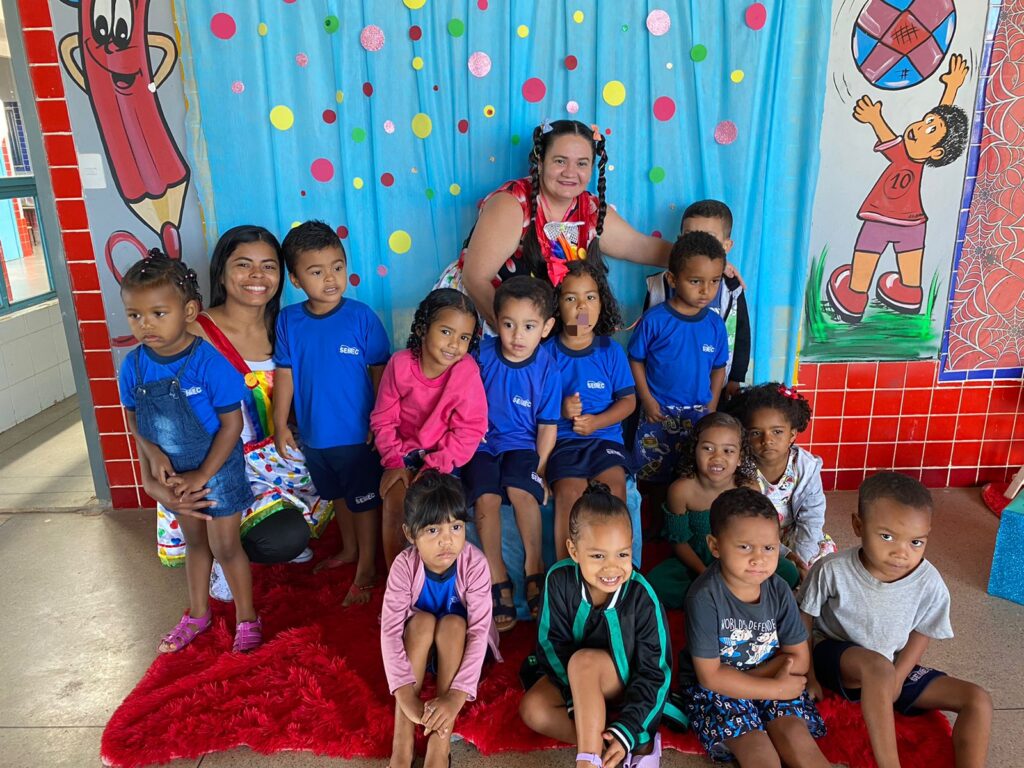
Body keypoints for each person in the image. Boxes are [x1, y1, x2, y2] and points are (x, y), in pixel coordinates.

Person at [153, 225, 334, 601]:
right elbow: (160, 411)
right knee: (277, 535)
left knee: (337, 471)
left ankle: (263, 527)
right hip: (216, 462)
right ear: (221, 272)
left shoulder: (285, 326)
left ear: (283, 277)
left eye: (268, 266)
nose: (257, 275)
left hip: (275, 458)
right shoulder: (195, 332)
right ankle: (223, 553)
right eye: (243, 264)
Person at [118, 251, 261, 653]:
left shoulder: (209, 363)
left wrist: (202, 475)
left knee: (225, 546)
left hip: (217, 467)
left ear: (189, 311)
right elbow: (134, 417)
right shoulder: (133, 366)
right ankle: (198, 614)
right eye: (135, 315)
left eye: (158, 313)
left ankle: (247, 617)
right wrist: (153, 460)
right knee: (194, 544)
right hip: (175, 474)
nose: (145, 324)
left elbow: (232, 426)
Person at [799, 472, 992, 768]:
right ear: (858, 525)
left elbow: (923, 630)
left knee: (977, 699)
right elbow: (805, 619)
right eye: (887, 537)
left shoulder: (930, 582)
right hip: (836, 658)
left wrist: (899, 677)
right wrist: (809, 676)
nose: (902, 553)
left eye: (916, 542)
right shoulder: (831, 570)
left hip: (892, 667)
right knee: (878, 668)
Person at [436, 119, 672, 331]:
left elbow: (642, 246)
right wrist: (518, 341)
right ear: (540, 161)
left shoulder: (590, 209)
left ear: (591, 168)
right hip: (485, 318)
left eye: (581, 163)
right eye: (560, 161)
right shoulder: (511, 204)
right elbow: (475, 279)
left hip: (540, 328)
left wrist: (692, 260)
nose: (570, 172)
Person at [273, 220, 391, 606]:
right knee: (338, 495)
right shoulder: (289, 321)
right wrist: (279, 424)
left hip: (357, 436)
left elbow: (381, 374)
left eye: (337, 267)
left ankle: (367, 567)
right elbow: (285, 375)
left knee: (364, 502)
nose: (330, 279)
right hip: (314, 436)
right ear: (295, 279)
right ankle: (350, 550)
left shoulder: (361, 317)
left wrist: (379, 422)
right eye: (316, 271)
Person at [519, 482, 671, 768]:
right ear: (574, 551)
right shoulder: (558, 580)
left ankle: (589, 760)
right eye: (598, 555)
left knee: (584, 662)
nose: (612, 567)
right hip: (573, 679)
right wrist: (574, 697)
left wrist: (630, 726)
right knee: (533, 709)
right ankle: (611, 751)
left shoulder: (642, 595)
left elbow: (655, 671)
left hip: (624, 683)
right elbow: (550, 644)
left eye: (622, 554)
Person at [677, 488, 828, 766]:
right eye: (745, 547)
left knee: (797, 738)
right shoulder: (704, 597)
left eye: (769, 548)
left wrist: (755, 682)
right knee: (759, 751)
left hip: (764, 678)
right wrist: (774, 689)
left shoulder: (779, 590)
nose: (759, 558)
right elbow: (711, 678)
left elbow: (799, 660)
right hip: (719, 692)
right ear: (715, 546)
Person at [825, 54, 970, 323]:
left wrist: (875, 118)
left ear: (936, 153)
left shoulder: (905, 154)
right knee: (910, 263)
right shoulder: (921, 153)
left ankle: (854, 296)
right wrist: (951, 87)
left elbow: (890, 140)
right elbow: (944, 123)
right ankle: (908, 293)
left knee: (866, 258)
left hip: (880, 217)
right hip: (913, 223)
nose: (920, 127)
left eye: (930, 130)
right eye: (925, 121)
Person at [381, 471, 501, 768]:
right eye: (433, 530)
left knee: (453, 623)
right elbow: (390, 632)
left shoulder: (475, 564)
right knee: (421, 622)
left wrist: (457, 696)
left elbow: (479, 632)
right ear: (411, 534)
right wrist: (404, 694)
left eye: (456, 527)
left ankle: (440, 742)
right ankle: (402, 741)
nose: (447, 540)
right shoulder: (403, 566)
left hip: (459, 649)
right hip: (419, 646)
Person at [461, 277, 559, 631]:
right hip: (480, 442)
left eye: (529, 326)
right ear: (495, 322)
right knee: (485, 498)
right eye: (508, 325)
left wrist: (540, 471)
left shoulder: (547, 367)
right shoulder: (482, 355)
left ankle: (534, 567)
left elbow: (547, 427)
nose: (518, 336)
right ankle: (496, 576)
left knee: (521, 491)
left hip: (521, 445)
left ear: (546, 328)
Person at [371, 288, 488, 569]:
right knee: (395, 503)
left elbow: (470, 429)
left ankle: (439, 580)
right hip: (402, 453)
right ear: (423, 328)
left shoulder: (466, 370)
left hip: (444, 457)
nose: (454, 344)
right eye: (446, 332)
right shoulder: (400, 364)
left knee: (438, 510)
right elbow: (383, 419)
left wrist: (433, 467)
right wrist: (394, 462)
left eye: (464, 338)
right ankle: (398, 581)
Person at [543, 261, 635, 561]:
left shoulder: (610, 351)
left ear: (602, 303)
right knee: (569, 495)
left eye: (590, 297)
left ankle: (616, 569)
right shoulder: (545, 353)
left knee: (613, 489)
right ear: (557, 306)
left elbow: (628, 402)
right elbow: (534, 407)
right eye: (571, 298)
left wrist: (597, 422)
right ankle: (564, 573)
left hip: (605, 440)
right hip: (564, 443)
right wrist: (560, 409)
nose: (582, 307)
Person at [630, 232, 729, 484]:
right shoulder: (655, 320)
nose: (706, 290)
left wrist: (711, 407)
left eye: (715, 281)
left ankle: (680, 510)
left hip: (698, 415)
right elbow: (635, 360)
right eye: (696, 281)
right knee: (650, 476)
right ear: (673, 279)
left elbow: (718, 368)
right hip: (658, 412)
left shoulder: (715, 325)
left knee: (690, 475)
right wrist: (647, 400)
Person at [646, 412, 767, 609]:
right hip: (695, 562)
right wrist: (705, 574)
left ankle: (722, 596)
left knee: (787, 572)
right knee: (656, 583)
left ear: (740, 458)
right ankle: (716, 598)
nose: (717, 457)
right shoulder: (681, 490)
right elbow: (679, 542)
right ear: (694, 451)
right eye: (708, 448)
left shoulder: (748, 489)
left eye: (728, 451)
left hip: (740, 560)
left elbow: (756, 537)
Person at [724, 383, 836, 582]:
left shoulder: (806, 467)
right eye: (756, 433)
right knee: (747, 566)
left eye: (777, 432)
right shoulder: (742, 468)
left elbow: (812, 516)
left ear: (792, 434)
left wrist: (801, 558)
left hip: (796, 534)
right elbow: (746, 521)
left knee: (823, 565)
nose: (767, 440)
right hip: (756, 537)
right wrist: (784, 555)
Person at [643, 200, 751, 399]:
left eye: (709, 238)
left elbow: (742, 335)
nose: (699, 245)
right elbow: (644, 338)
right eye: (690, 236)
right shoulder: (658, 285)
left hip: (713, 388)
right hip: (661, 390)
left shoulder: (732, 289)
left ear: (726, 246)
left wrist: (735, 378)